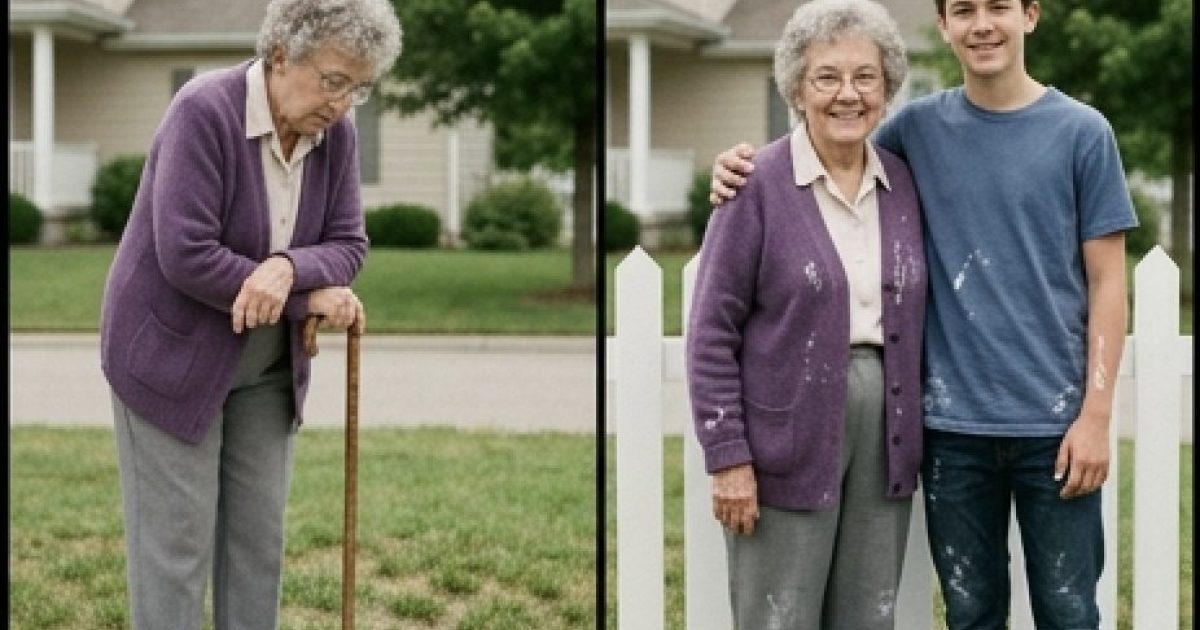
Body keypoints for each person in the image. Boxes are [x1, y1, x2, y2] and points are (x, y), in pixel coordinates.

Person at [709, 0, 1137, 627]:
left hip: (1056, 428)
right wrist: (737, 169)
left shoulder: (1083, 132)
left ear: (1031, 15)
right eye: (964, 9)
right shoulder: (914, 132)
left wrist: (1096, 416)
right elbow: (826, 152)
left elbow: (1107, 282)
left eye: (999, 7)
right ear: (942, 25)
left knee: (1069, 612)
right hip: (951, 432)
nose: (982, 24)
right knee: (970, 611)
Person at [98, 0, 401, 627]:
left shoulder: (332, 133)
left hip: (266, 368)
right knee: (176, 550)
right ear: (282, 55)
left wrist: (289, 267)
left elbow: (349, 244)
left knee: (256, 544)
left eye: (359, 88)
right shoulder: (203, 111)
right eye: (334, 81)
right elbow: (186, 255)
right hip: (170, 359)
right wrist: (306, 296)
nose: (343, 104)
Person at [685, 1, 927, 628]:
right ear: (796, 86)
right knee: (779, 615)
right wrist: (729, 458)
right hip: (784, 440)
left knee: (868, 615)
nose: (848, 94)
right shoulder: (754, 185)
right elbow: (711, 333)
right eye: (827, 77)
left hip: (887, 439)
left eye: (865, 77)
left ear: (887, 87)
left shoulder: (903, 183)